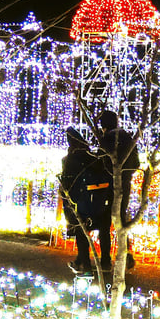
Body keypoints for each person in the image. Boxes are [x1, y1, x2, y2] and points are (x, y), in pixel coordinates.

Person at [60, 126, 113, 274]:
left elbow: (67, 184)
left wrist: (68, 202)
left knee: (81, 231)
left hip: (80, 202)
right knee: (104, 231)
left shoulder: (70, 159)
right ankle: (105, 262)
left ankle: (85, 264)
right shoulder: (94, 156)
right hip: (101, 201)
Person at [97, 110, 140, 270]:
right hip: (125, 186)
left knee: (104, 223)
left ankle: (106, 260)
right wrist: (126, 176)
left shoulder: (107, 139)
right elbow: (136, 163)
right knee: (121, 220)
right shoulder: (128, 138)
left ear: (103, 125)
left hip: (108, 186)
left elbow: (99, 163)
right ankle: (126, 255)